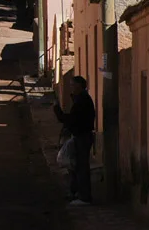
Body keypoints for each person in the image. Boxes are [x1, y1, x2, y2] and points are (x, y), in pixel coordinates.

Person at [54, 76, 95, 205]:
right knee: (75, 166)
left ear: (79, 86)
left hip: (82, 136)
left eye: (73, 85)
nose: (71, 87)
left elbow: (73, 119)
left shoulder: (83, 101)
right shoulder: (81, 99)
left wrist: (58, 112)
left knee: (81, 167)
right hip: (80, 136)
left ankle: (84, 197)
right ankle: (76, 193)